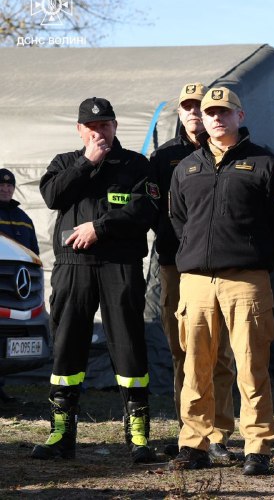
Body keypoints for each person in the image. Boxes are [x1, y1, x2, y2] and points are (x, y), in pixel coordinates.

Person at [168, 86, 274, 476]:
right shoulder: (186, 167)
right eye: (210, 113)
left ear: (240, 116)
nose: (216, 118)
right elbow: (178, 220)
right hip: (196, 282)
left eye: (225, 112)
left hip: (246, 281)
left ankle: (257, 446)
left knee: (251, 366)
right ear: (201, 120)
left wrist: (255, 259)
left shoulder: (264, 164)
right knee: (196, 365)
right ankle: (195, 443)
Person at [33, 97, 158, 463]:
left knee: (129, 346)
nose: (99, 132)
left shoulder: (136, 164)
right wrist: (87, 161)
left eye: (105, 125)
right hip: (73, 266)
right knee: (67, 343)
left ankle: (138, 437)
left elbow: (145, 209)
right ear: (79, 130)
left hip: (120, 265)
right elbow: (53, 195)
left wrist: (99, 228)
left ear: (116, 126)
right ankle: (61, 434)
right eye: (91, 127)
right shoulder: (64, 163)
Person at [148, 83, 236, 462]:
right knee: (183, 350)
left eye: (200, 106)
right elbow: (158, 211)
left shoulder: (232, 152)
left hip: (221, 269)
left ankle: (219, 433)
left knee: (221, 354)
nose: (195, 113)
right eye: (187, 107)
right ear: (180, 114)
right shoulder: (163, 158)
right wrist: (187, 245)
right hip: (174, 264)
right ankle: (191, 430)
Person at [0, 167, 39, 402]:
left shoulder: (24, 219)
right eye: (1, 185)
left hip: (19, 290)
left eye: (9, 185)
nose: (5, 188)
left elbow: (33, 255)